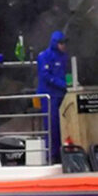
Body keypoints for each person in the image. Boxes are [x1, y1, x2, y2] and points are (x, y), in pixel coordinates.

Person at [36, 30, 69, 163]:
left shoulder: (64, 56)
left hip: (62, 95)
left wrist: (71, 83)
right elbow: (45, 75)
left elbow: (67, 72)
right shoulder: (44, 56)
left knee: (63, 125)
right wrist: (62, 84)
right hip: (49, 96)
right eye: (61, 43)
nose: (64, 46)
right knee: (51, 125)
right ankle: (52, 155)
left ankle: (63, 153)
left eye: (65, 43)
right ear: (55, 43)